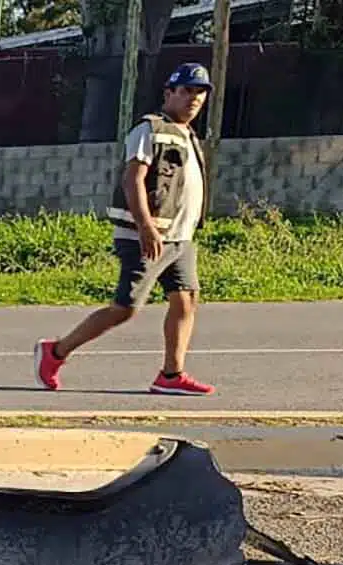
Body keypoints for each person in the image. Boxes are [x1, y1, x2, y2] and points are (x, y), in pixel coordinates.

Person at [36, 62, 216, 396]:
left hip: (179, 237)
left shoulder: (188, 135)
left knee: (186, 300)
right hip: (145, 235)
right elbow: (132, 178)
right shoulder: (149, 129)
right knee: (125, 308)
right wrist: (146, 226)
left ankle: (171, 375)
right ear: (169, 93)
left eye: (200, 92)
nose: (194, 98)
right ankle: (55, 352)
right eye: (187, 90)